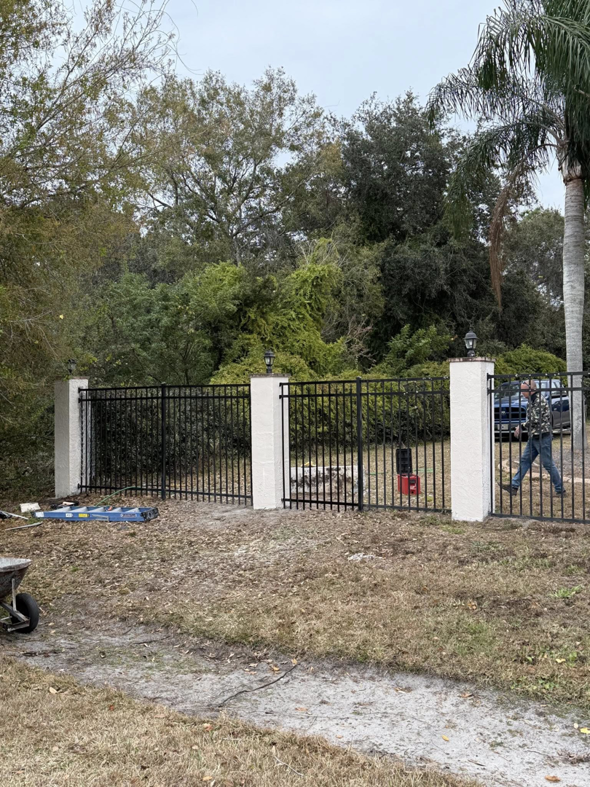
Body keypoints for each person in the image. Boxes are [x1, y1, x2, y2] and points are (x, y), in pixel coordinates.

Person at [503, 380, 565, 497]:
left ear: (531, 389)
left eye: (523, 390)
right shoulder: (531, 401)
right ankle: (513, 486)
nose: (521, 393)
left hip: (543, 437)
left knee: (548, 464)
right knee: (525, 461)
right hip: (534, 437)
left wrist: (521, 426)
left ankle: (560, 489)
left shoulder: (539, 400)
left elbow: (536, 420)